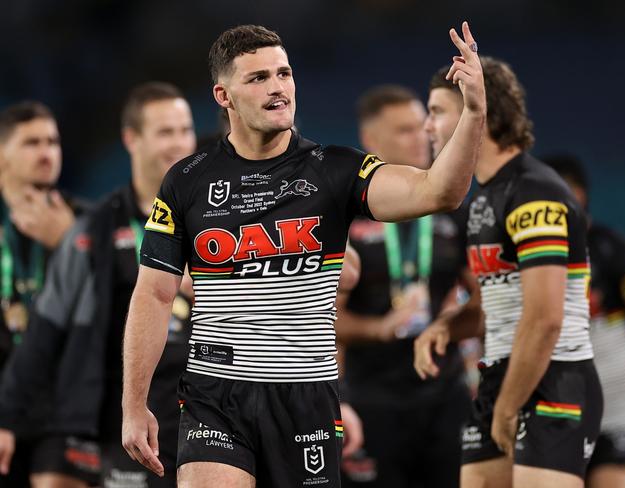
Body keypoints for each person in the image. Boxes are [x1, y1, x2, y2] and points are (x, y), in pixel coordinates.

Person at [121, 22, 486, 488]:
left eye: (284, 74)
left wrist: (473, 111)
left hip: (306, 396)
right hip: (216, 395)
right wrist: (134, 405)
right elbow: (153, 294)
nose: (277, 88)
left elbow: (439, 191)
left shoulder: (335, 169)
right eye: (258, 78)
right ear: (223, 96)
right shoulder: (186, 181)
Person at [414, 57, 603, 488]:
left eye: (438, 112)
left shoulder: (535, 191)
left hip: (554, 379)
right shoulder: (484, 199)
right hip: (501, 377)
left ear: (480, 113)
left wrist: (507, 405)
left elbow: (544, 320)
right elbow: (498, 308)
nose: (428, 127)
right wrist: (447, 325)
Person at [0, 82, 197, 487]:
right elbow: (47, 329)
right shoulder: (97, 226)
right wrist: (7, 417)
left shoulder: (216, 217)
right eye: (165, 132)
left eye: (183, 130)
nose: (178, 143)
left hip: (202, 410)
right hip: (117, 417)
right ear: (131, 139)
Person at [337, 85, 472, 488]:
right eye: (404, 130)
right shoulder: (345, 216)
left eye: (422, 126)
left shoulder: (454, 209)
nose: (423, 136)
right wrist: (379, 329)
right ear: (371, 142)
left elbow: (484, 302)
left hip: (444, 395)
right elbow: (324, 318)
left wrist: (447, 325)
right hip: (373, 398)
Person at [0, 101, 95, 487]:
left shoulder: (90, 221)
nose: (46, 153)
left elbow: (120, 303)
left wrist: (68, 241)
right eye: (32, 143)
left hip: (64, 405)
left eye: (52, 142)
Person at [544, 154, 625, 488]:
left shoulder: (613, 251)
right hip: (550, 419)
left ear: (581, 196)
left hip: (619, 414)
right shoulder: (519, 258)